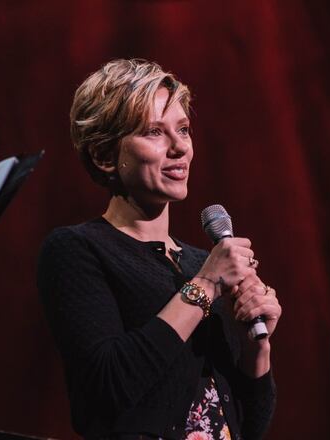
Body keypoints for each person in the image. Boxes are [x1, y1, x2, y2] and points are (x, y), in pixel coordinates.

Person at [37, 59, 280, 440]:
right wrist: (205, 285)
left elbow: (248, 426)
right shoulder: (78, 250)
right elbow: (108, 385)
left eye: (182, 129)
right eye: (154, 132)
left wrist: (255, 348)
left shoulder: (198, 262)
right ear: (104, 155)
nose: (180, 147)